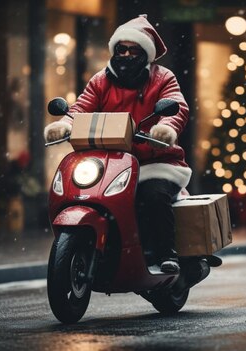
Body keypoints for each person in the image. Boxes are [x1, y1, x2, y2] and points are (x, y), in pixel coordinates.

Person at [44, 15, 191, 274]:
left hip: (154, 160)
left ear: (145, 52)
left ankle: (166, 254)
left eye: (133, 50)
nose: (125, 55)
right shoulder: (101, 80)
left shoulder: (162, 78)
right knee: (90, 193)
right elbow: (82, 106)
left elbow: (177, 106)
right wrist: (66, 124)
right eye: (120, 49)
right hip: (110, 160)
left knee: (152, 195)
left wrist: (166, 127)